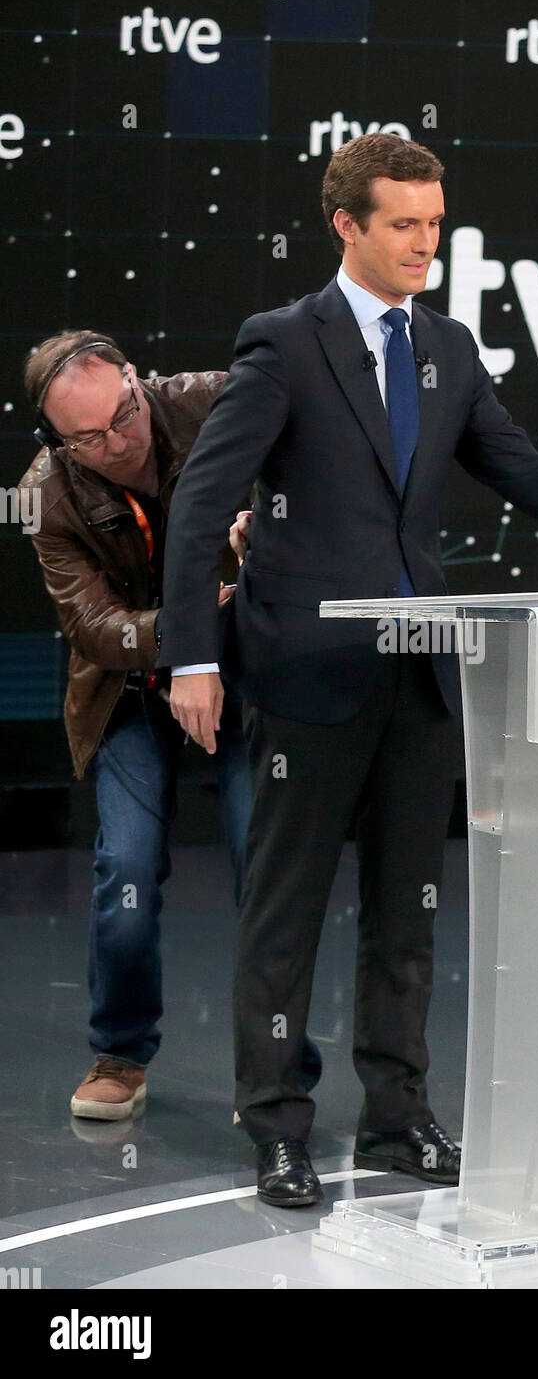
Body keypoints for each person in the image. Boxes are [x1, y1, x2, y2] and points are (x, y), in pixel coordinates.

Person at [158, 134, 538, 1207]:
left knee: (408, 911)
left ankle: (396, 1115)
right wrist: (192, 653)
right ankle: (276, 1125)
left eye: (435, 223)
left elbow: (527, 475)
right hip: (305, 671)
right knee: (282, 913)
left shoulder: (449, 347)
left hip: (421, 676)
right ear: (347, 225)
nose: (426, 242)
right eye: (404, 224)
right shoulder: (284, 345)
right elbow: (202, 505)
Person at [18, 332, 321, 1121]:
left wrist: (270, 528)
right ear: (58, 439)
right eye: (90, 438)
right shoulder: (47, 493)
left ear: (132, 378)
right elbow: (92, 627)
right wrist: (188, 632)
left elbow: (322, 477)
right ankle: (120, 1055)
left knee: (265, 868)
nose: (118, 443)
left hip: (250, 673)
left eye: (123, 415)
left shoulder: (217, 400)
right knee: (125, 872)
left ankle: (275, 1066)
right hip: (131, 689)